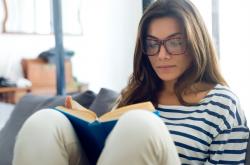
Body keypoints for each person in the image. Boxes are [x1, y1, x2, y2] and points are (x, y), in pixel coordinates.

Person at [13, 0, 249, 164]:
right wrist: (78, 126)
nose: (162, 54)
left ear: (195, 44)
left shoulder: (222, 104)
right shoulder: (136, 94)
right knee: (45, 122)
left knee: (140, 125)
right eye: (152, 43)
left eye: (175, 42)